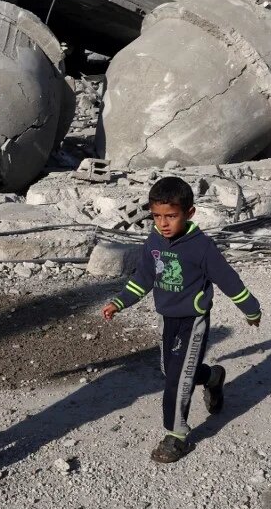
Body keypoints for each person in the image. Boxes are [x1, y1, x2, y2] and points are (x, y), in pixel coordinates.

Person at [101, 177, 262, 463]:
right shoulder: (154, 240)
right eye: (157, 216)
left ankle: (176, 435)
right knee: (170, 370)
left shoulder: (201, 247)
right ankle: (212, 377)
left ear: (189, 213)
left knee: (178, 378)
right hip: (167, 318)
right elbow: (144, 277)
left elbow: (227, 279)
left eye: (171, 216)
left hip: (193, 320)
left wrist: (250, 308)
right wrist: (119, 302)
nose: (163, 223)